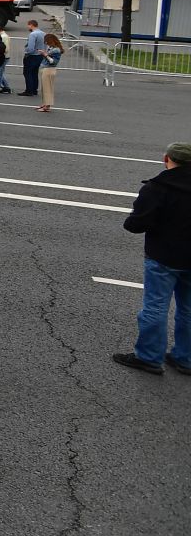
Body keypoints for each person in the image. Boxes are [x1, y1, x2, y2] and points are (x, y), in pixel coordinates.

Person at [113, 141, 191, 375]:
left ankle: (149, 357)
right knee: (188, 309)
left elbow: (136, 224)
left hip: (164, 257)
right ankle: (185, 358)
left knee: (156, 306)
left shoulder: (158, 187)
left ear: (167, 159)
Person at [36, 31, 64, 112]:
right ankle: (45, 103)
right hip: (46, 68)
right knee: (44, 88)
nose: (46, 43)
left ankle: (47, 106)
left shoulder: (56, 50)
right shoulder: (51, 48)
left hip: (49, 69)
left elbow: (53, 61)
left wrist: (45, 54)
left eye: (47, 41)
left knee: (47, 88)